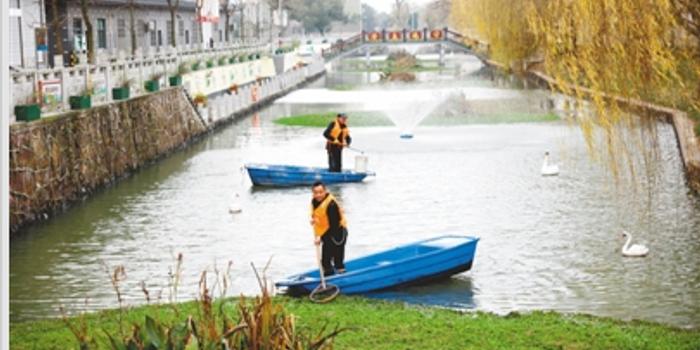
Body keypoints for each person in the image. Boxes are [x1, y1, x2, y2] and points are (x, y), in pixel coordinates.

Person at [310, 181, 348, 276]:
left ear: (325, 191)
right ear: (313, 193)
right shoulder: (314, 201)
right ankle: (328, 276)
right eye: (315, 192)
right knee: (325, 261)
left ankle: (340, 275)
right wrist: (314, 220)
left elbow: (334, 225)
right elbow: (317, 215)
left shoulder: (331, 205)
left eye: (320, 192)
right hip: (326, 232)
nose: (318, 195)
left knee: (337, 259)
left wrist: (319, 237)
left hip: (338, 233)